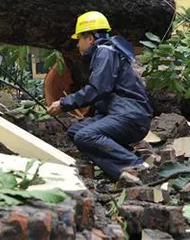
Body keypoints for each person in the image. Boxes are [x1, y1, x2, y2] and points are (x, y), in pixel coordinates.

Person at [47, 11, 153, 184]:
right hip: (119, 114)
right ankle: (123, 169)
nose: (77, 45)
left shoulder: (105, 53)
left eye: (78, 40)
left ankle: (137, 167)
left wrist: (64, 103)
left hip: (130, 117)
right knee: (75, 132)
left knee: (85, 136)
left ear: (90, 38)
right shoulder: (106, 52)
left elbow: (98, 89)